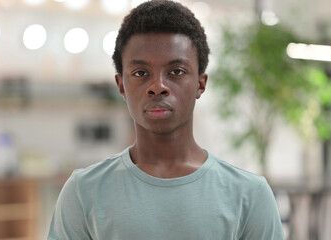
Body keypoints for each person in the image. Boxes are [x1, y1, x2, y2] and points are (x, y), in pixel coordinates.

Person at [48, 0, 284, 239]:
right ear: (121, 86)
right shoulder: (84, 191)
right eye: (141, 73)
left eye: (176, 72)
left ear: (200, 84)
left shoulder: (249, 195)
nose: (157, 87)